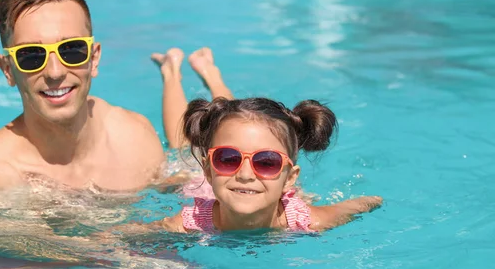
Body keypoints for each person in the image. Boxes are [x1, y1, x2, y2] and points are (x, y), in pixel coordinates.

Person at [0, 0, 165, 196]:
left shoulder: (136, 138)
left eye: (71, 50)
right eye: (31, 56)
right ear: (8, 70)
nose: (55, 72)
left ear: (94, 58)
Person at [147, 47, 382, 233]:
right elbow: (120, 240)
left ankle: (210, 73)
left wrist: (373, 202)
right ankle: (171, 72)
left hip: (245, 184)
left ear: (290, 178)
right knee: (184, 145)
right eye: (227, 158)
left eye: (267, 161)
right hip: (198, 183)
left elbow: (356, 205)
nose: (246, 174)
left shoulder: (305, 220)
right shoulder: (191, 222)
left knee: (236, 124)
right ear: (207, 170)